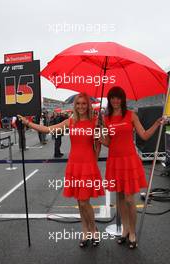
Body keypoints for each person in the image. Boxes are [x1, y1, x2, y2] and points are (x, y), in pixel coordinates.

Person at [18, 93, 105, 247]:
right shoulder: (70, 121)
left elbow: (100, 145)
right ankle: (85, 230)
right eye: (78, 103)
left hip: (88, 165)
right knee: (79, 201)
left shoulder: (95, 122)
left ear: (88, 105)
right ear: (75, 105)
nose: (81, 106)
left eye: (84, 104)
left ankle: (94, 230)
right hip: (74, 164)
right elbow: (48, 129)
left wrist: (99, 136)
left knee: (85, 201)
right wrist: (28, 123)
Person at [100, 86, 166, 249]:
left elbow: (143, 135)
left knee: (130, 199)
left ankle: (132, 232)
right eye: (112, 98)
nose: (115, 100)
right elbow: (109, 142)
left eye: (118, 97)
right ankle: (124, 230)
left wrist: (157, 123)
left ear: (122, 99)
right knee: (120, 199)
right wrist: (100, 137)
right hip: (115, 161)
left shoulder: (131, 115)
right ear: (109, 100)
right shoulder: (106, 118)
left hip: (129, 161)